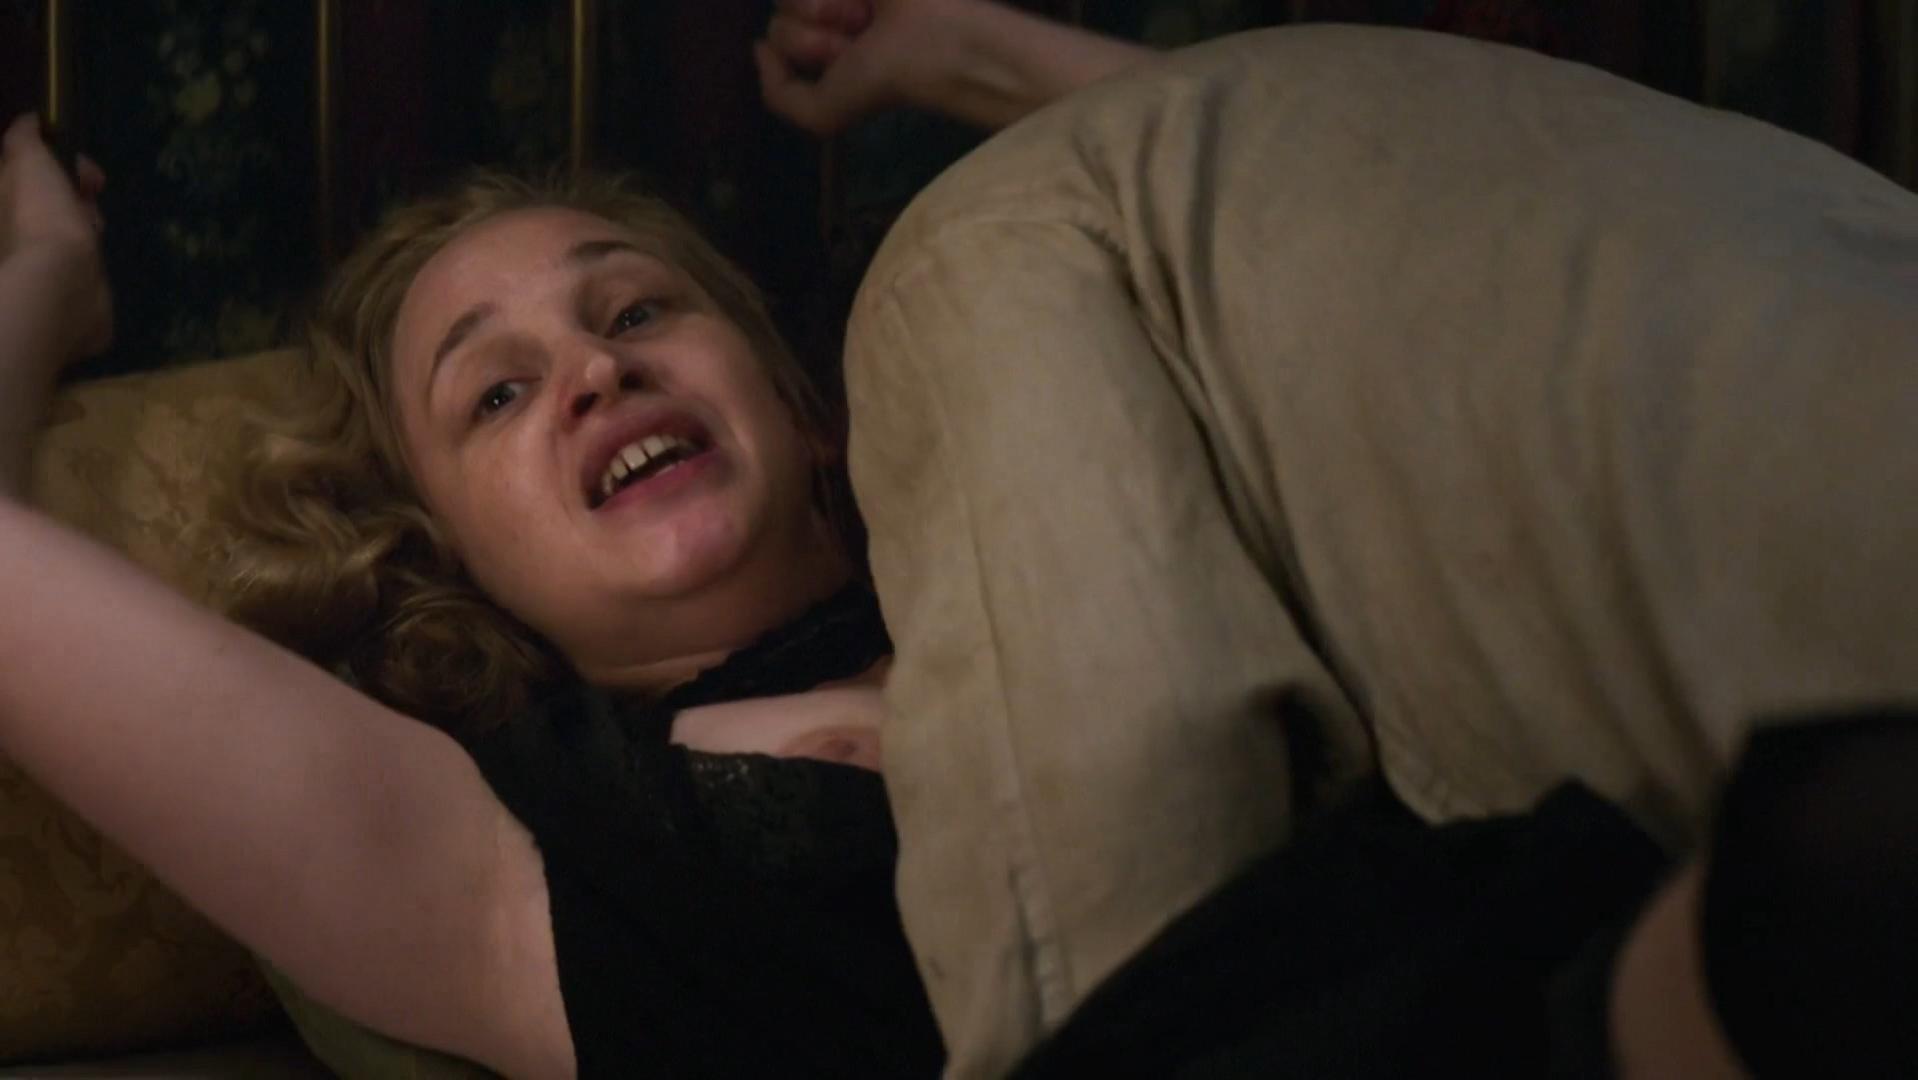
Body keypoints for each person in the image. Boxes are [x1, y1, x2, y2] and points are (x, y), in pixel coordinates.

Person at [1, 3, 1914, 1079]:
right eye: (492, 395)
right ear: (450, 561)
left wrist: (970, 48)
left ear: (805, 404)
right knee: (977, 250)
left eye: (640, 309)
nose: (589, 368)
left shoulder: (1100, 472)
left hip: (1594, 863)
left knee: (1013, 250)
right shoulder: (527, 851)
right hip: (1437, 1034)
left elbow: (1320, 237)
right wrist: (35, 297)